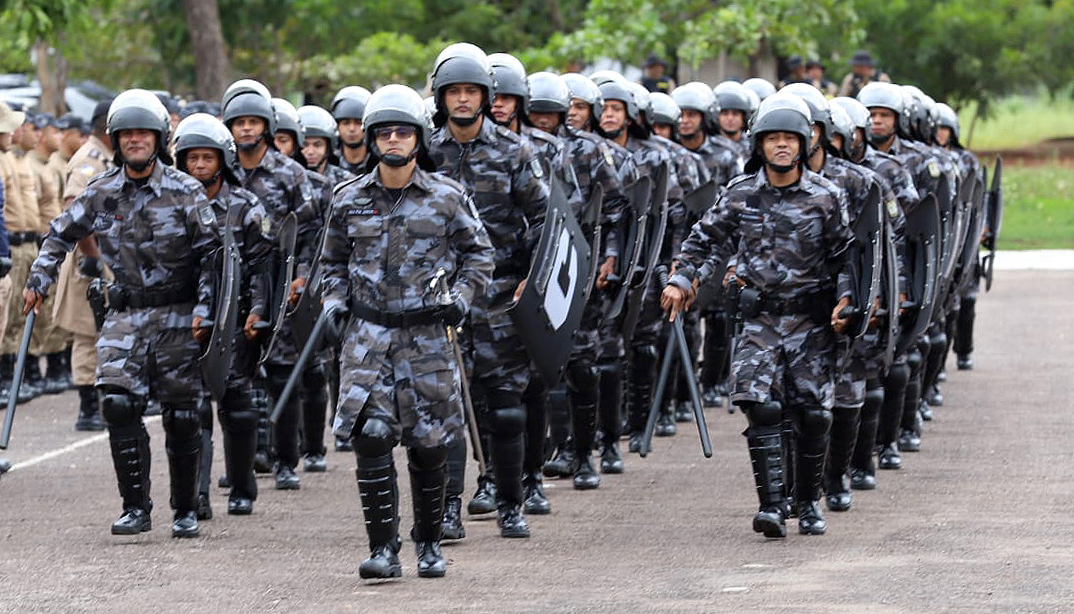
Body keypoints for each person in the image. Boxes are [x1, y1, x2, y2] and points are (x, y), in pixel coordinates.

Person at [25, 89, 221, 538]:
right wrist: (39, 279)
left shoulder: (186, 190)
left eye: (143, 133)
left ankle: (186, 508)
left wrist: (207, 312)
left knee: (183, 414)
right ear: (115, 140)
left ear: (158, 139)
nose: (135, 141)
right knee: (116, 403)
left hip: (179, 314)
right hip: (125, 314)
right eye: (126, 134)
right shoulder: (101, 192)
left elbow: (213, 258)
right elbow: (59, 234)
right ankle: (136, 507)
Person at [321, 84, 494, 579]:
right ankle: (383, 549)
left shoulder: (446, 196)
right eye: (383, 133)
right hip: (368, 339)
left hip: (426, 340)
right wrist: (334, 304)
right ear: (371, 139)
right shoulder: (348, 199)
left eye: (402, 132)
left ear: (418, 137)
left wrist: (462, 298)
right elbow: (330, 263)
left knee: (430, 443)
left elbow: (480, 255)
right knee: (372, 436)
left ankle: (430, 543)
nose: (392, 140)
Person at [662, 93, 854, 538]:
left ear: (805, 144)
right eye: (773, 140)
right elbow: (703, 240)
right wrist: (682, 279)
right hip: (759, 321)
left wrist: (848, 303)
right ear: (759, 145)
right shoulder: (740, 193)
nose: (782, 147)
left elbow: (848, 259)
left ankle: (807, 502)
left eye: (790, 139)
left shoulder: (826, 197)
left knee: (813, 415)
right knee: (759, 405)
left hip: (811, 322)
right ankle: (772, 505)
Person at [427, 43, 549, 540]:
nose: (462, 100)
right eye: (453, 92)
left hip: (501, 295)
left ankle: (509, 501)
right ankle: (449, 508)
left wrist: (533, 279)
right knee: (448, 408)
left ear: (487, 96)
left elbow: (544, 217)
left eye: (470, 91)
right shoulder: (426, 151)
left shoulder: (514, 150)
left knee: (504, 405)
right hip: (441, 299)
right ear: (440, 98)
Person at [172, 112, 273, 517]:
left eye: (207, 158)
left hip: (235, 316)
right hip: (184, 318)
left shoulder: (246, 206)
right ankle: (196, 495)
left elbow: (265, 264)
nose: (199, 166)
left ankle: (243, 487)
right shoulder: (171, 202)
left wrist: (261, 311)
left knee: (238, 404)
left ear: (222, 161)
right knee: (191, 407)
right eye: (192, 158)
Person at [221, 79, 318, 488]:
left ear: (267, 126)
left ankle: (285, 462)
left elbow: (313, 229)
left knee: (281, 373)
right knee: (232, 376)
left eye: (252, 122)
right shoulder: (219, 171)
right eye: (238, 123)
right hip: (230, 284)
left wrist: (302, 278)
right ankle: (241, 463)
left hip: (279, 283)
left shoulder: (290, 173)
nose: (245, 129)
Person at [53, 98, 114, 431]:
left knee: (102, 332)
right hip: (88, 262)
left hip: (105, 257)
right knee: (88, 335)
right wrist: (92, 257)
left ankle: (100, 404)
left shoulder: (106, 157)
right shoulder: (89, 161)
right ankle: (88, 410)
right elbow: (74, 211)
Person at [25, 112, 70, 395]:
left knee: (50, 311)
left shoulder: (39, 165)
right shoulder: (34, 165)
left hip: (45, 244)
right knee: (26, 314)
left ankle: (51, 367)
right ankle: (27, 371)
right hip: (33, 244)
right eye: (56, 131)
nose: (61, 137)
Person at [331, 86, 372, 175]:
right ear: (338, 125)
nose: (352, 129)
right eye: (346, 123)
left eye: (358, 123)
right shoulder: (328, 160)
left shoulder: (378, 162)